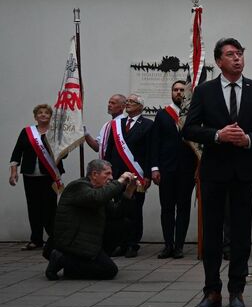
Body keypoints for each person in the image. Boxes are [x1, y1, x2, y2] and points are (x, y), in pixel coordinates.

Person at [183, 37, 252, 307]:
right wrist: (217, 135)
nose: (237, 58)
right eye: (231, 54)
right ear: (219, 61)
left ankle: (237, 290)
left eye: (240, 53)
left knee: (240, 233)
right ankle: (212, 290)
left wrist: (247, 139)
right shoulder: (205, 91)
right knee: (211, 233)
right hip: (213, 171)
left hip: (244, 172)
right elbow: (189, 129)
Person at [44, 159, 136, 281]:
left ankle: (73, 266)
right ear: (94, 174)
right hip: (71, 242)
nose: (111, 177)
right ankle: (61, 258)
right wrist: (119, 182)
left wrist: (129, 191)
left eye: (111, 174)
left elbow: (117, 212)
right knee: (109, 271)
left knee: (123, 224)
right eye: (107, 174)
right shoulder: (78, 186)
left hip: (87, 240)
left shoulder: (99, 189)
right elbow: (97, 198)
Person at [150, 80, 196, 259]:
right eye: (175, 90)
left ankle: (179, 246)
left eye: (181, 90)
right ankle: (167, 245)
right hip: (166, 169)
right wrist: (154, 168)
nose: (178, 92)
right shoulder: (162, 114)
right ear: (171, 92)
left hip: (187, 169)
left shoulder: (192, 114)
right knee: (167, 208)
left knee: (183, 208)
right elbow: (155, 142)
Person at [9, 104, 64, 251]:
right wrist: (13, 171)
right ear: (35, 116)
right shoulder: (27, 132)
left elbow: (64, 153)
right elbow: (17, 152)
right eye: (40, 113)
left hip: (49, 176)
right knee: (33, 207)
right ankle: (36, 239)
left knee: (50, 207)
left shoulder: (55, 132)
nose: (43, 115)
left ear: (50, 116)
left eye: (46, 113)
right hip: (30, 175)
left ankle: (53, 239)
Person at [104, 94, 153, 258]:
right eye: (128, 101)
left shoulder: (147, 124)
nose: (128, 104)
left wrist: (147, 175)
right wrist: (108, 172)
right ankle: (121, 243)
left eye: (132, 102)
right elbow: (110, 149)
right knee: (118, 209)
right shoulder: (117, 124)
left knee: (135, 210)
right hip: (118, 174)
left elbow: (149, 152)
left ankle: (133, 244)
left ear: (141, 106)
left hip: (136, 175)